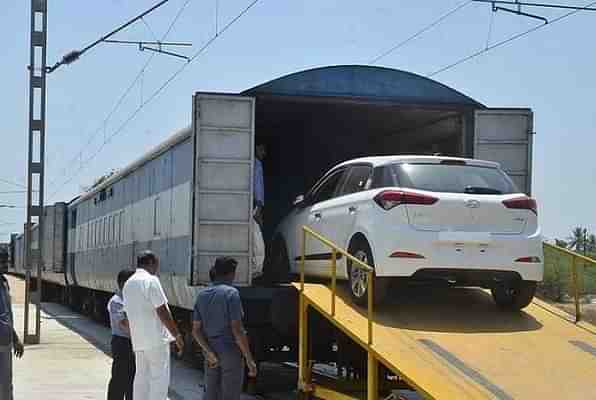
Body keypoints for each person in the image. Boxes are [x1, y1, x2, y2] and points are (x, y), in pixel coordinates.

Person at [192, 257, 258, 400]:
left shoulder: (202, 295)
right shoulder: (231, 293)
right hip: (230, 352)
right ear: (232, 274)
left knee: (210, 394)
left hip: (210, 350)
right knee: (230, 395)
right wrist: (249, 359)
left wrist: (208, 352)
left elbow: (196, 331)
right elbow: (237, 330)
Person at [122, 251, 184, 400]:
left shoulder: (128, 284)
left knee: (141, 378)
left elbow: (126, 317)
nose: (157, 267)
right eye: (156, 264)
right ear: (150, 262)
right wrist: (177, 335)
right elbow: (162, 310)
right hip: (156, 341)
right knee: (159, 379)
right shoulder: (151, 280)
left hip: (139, 342)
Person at [107, 268, 136, 400]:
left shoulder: (131, 300)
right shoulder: (116, 301)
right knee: (119, 379)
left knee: (132, 380)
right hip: (122, 343)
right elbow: (124, 324)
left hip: (131, 343)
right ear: (123, 283)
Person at [0, 263, 24, 400]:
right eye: (1, 262)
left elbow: (7, 315)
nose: (5, 265)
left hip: (5, 344)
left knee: (6, 387)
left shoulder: (4, 283)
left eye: (5, 261)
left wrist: (15, 339)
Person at [253, 143, 266, 228]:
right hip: (256, 203)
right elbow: (258, 185)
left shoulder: (255, 163)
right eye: (262, 150)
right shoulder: (256, 164)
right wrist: (258, 205)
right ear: (256, 149)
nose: (264, 153)